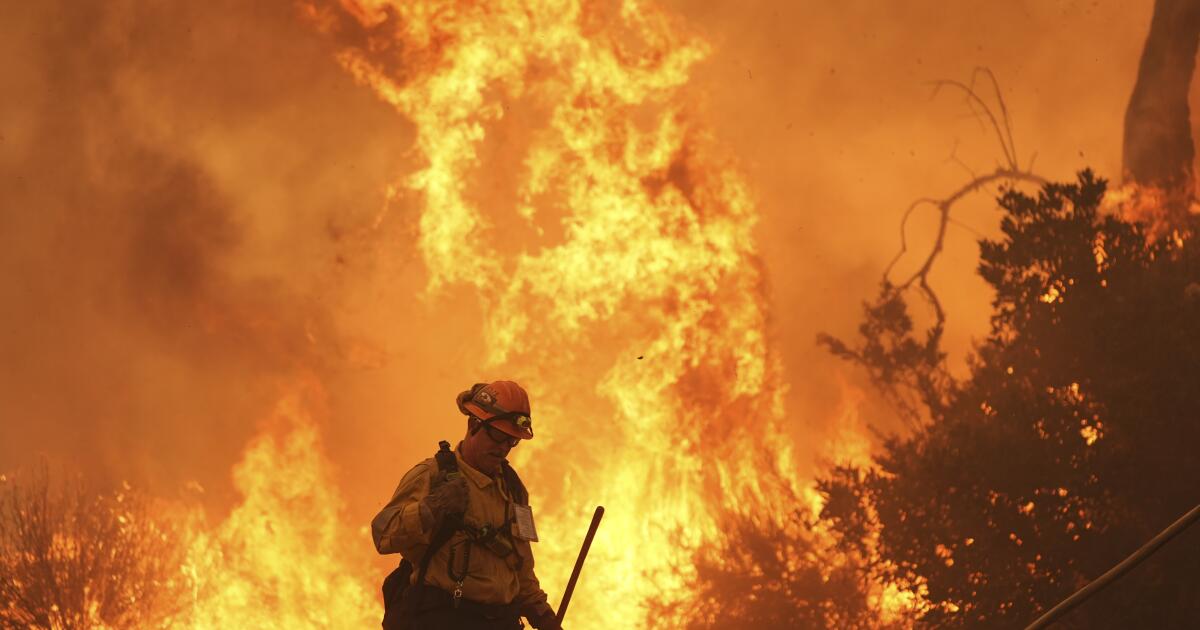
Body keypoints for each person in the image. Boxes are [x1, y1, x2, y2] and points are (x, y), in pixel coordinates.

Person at [372, 381, 562, 630]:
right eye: (499, 436)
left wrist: (542, 614)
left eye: (512, 441)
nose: (504, 448)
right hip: (446, 620)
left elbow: (521, 565)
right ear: (474, 425)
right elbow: (383, 534)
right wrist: (433, 507)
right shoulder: (431, 475)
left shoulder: (514, 490)